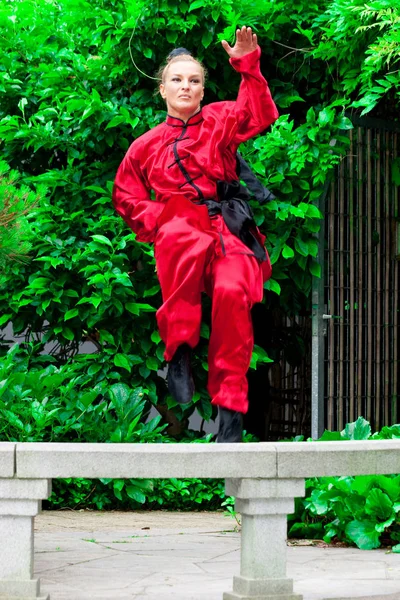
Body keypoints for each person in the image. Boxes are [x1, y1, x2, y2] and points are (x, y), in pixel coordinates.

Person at [113, 26, 279, 442]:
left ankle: (230, 412)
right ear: (162, 90)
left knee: (233, 291)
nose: (186, 86)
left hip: (227, 229)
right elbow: (127, 196)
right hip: (181, 239)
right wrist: (163, 217)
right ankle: (180, 348)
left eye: (195, 80)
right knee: (179, 225)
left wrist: (247, 65)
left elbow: (258, 114)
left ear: (203, 91)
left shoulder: (221, 120)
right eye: (177, 79)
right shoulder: (145, 146)